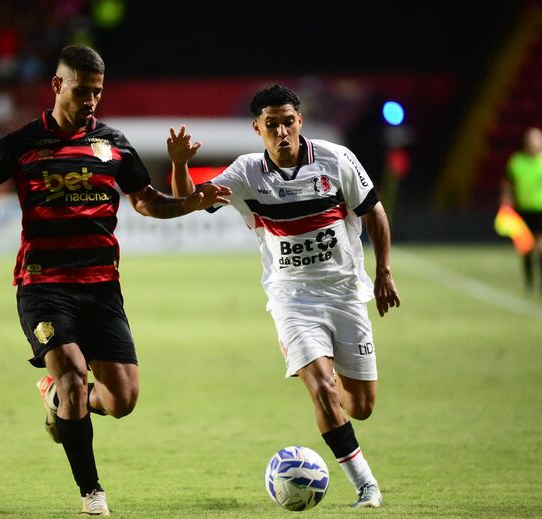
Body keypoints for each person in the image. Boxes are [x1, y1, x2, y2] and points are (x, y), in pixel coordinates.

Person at [0, 45, 229, 516]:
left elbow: (148, 202)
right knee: (76, 376)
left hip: (102, 288)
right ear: (58, 86)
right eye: (83, 91)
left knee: (122, 400)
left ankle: (56, 395)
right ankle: (92, 493)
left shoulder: (115, 144)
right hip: (44, 287)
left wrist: (194, 202)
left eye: (98, 92)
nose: (91, 100)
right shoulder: (21, 144)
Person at [169, 85, 400, 509]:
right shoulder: (245, 173)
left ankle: (339, 417)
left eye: (288, 121)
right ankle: (366, 485)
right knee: (322, 387)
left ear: (300, 121)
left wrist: (383, 272)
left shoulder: (336, 159)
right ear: (257, 128)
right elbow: (189, 200)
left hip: (346, 294)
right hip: (292, 300)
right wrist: (182, 165)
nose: (281, 132)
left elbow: (375, 212)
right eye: (271, 124)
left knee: (362, 405)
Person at [501, 126, 542, 292]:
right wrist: (506, 199)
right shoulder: (517, 161)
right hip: (522, 209)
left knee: (540, 247)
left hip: (540, 209)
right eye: (533, 139)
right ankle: (529, 282)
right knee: (525, 247)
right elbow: (507, 182)